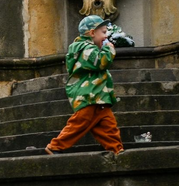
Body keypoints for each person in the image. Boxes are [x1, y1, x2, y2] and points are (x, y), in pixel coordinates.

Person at [45, 15, 124, 155]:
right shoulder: (83, 48)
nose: (106, 37)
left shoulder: (90, 47)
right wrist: (109, 49)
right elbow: (100, 62)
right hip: (88, 96)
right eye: (104, 32)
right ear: (92, 33)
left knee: (109, 126)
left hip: (99, 96)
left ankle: (117, 150)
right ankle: (55, 146)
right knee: (79, 123)